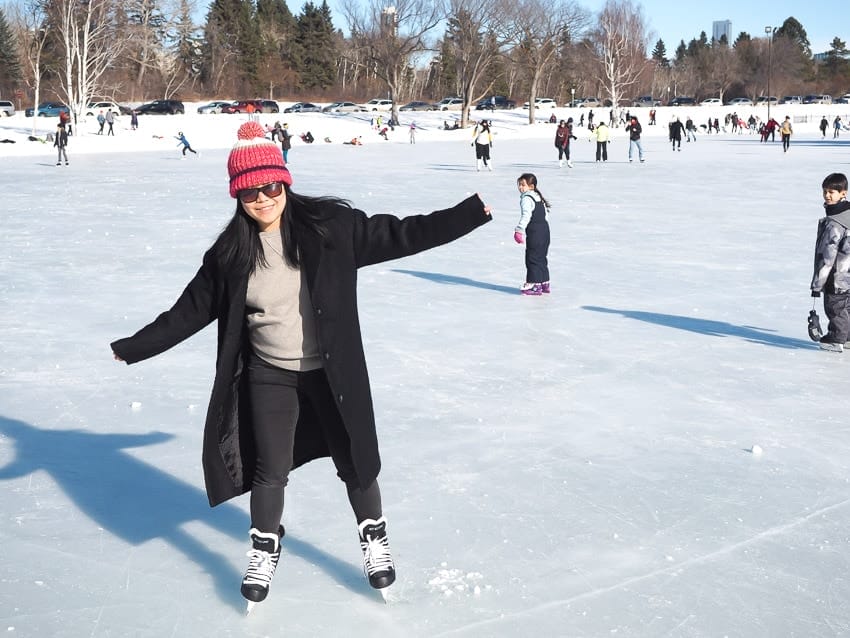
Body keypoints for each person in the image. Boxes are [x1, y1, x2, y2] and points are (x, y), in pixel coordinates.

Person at [110, 121, 492, 609]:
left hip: (332, 372)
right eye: (249, 192)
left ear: (284, 181)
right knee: (269, 469)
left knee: (354, 461)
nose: (262, 199)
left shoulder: (330, 228)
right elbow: (189, 311)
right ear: (237, 195)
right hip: (270, 374)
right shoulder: (230, 253)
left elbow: (403, 234)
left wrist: (468, 214)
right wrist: (135, 346)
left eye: (269, 186)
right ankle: (264, 547)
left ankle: (373, 537)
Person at [811, 172, 850, 351]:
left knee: (835, 308)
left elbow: (827, 256)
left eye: (832, 192)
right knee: (846, 307)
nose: (827, 195)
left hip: (837, 275)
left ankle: (837, 338)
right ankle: (847, 337)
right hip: (847, 274)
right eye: (825, 191)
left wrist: (817, 284)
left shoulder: (834, 223)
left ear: (843, 193)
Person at [513, 172, 551, 295]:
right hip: (544, 230)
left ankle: (534, 285)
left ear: (531, 186)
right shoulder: (538, 197)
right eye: (519, 185)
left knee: (532, 257)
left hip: (535, 231)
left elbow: (526, 215)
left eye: (523, 185)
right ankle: (544, 282)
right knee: (541, 257)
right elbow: (546, 214)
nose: (520, 187)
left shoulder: (526, 198)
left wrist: (519, 230)